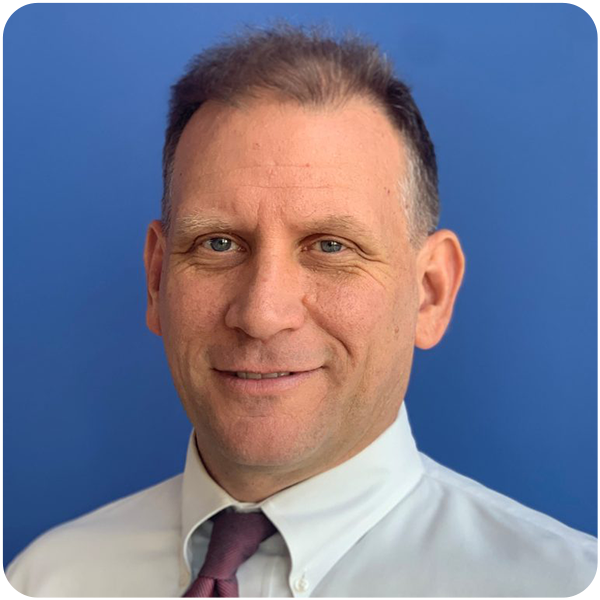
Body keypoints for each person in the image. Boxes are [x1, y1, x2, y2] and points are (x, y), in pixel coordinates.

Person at [3, 25, 597, 599]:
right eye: (218, 243)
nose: (261, 313)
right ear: (157, 278)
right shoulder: (47, 582)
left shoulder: (565, 588)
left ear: (430, 292)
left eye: (331, 247)